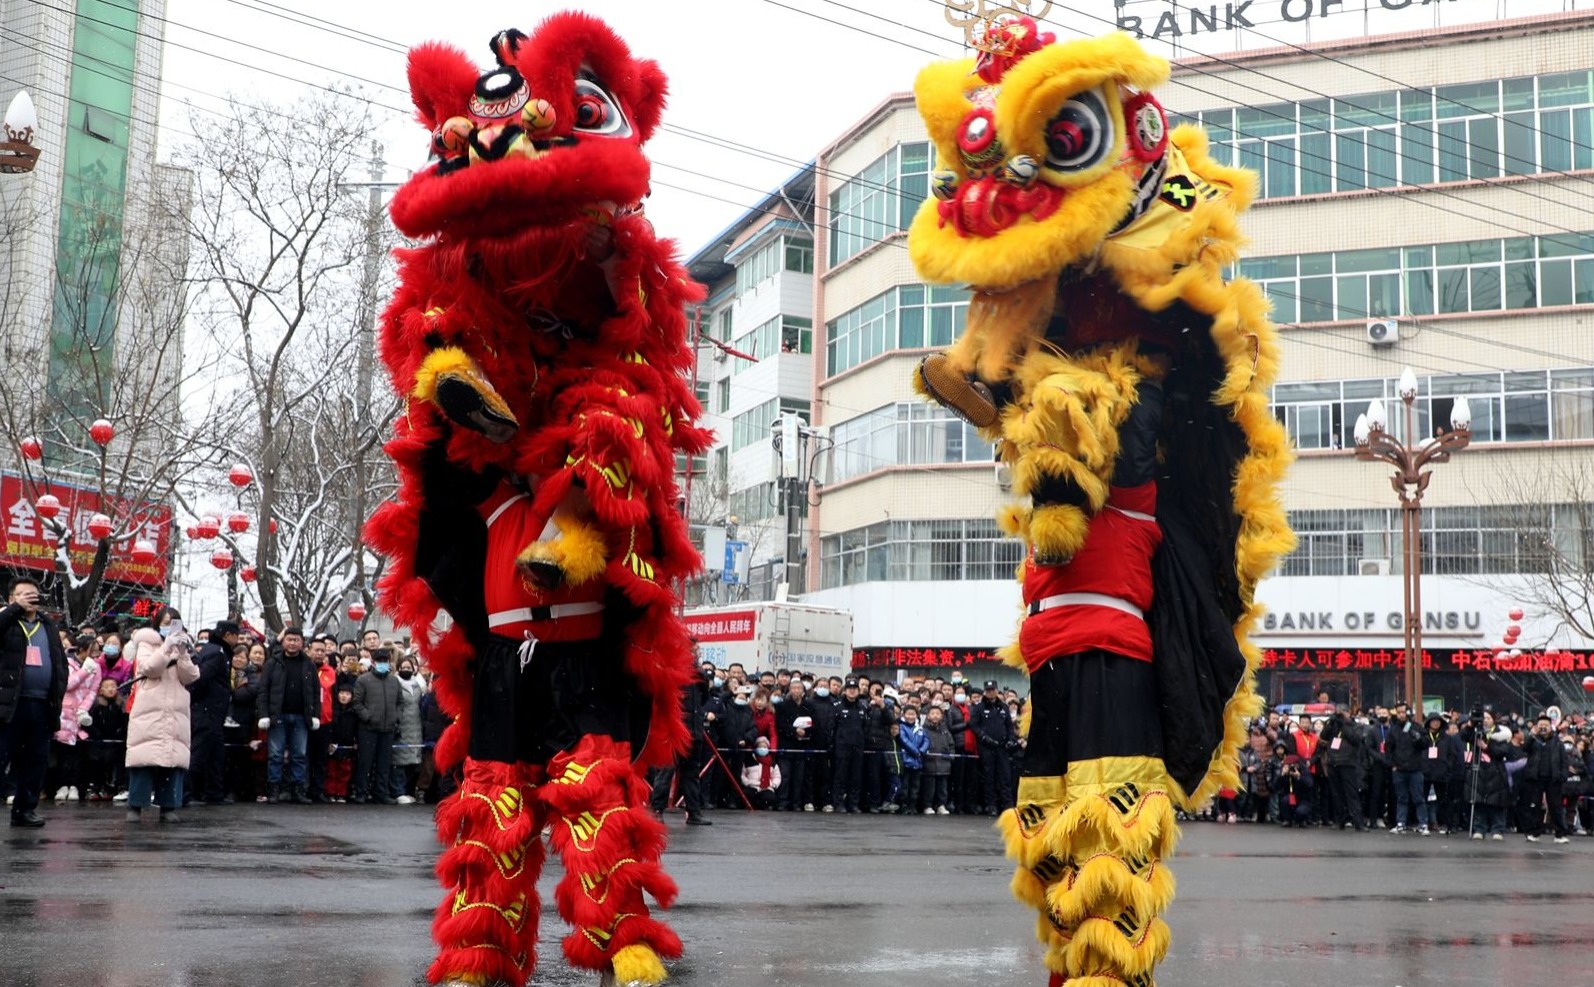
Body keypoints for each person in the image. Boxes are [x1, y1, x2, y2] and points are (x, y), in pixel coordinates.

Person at [1, 577, 70, 827]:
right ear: (11, 598)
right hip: (9, 704)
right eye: (23, 594)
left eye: (33, 594)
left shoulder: (48, 625)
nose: (30, 598)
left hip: (41, 704)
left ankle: (25, 809)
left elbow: (60, 662)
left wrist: (58, 694)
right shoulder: (7, 621)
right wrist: (14, 609)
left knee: (36, 760)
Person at [123, 619, 200, 823]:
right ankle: (136, 805)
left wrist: (182, 652)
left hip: (176, 709)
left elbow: (191, 675)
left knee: (172, 760)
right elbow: (149, 668)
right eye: (166, 623)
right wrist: (166, 648)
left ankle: (168, 806)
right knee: (144, 757)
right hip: (150, 708)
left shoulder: (182, 647)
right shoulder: (147, 644)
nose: (170, 627)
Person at [255, 626, 322, 804]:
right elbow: (264, 691)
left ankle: (298, 789)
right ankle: (274, 789)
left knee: (299, 754)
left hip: (302, 716)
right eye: (289, 639)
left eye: (296, 640)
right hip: (278, 716)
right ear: (283, 641)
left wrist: (316, 714)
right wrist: (264, 714)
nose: (292, 643)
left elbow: (316, 692)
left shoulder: (308, 664)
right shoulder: (273, 663)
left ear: (302, 643)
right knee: (275, 755)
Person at [187, 620, 238, 805]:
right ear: (228, 635)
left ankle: (214, 793)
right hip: (207, 711)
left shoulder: (216, 651)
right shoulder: (216, 653)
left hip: (213, 712)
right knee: (199, 754)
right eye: (235, 635)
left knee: (215, 755)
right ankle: (187, 794)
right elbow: (200, 678)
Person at [49, 644, 101, 803]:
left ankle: (75, 786)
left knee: (78, 753)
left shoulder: (96, 667)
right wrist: (85, 671)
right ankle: (62, 784)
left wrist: (83, 710)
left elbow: (93, 691)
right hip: (65, 712)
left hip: (81, 714)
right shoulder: (67, 663)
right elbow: (68, 685)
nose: (95, 654)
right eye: (92, 650)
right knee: (63, 751)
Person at [350, 649, 400, 804]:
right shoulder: (363, 680)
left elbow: (400, 703)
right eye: (379, 661)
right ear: (373, 662)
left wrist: (396, 717)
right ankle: (361, 792)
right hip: (368, 728)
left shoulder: (394, 681)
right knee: (365, 762)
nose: (383, 663)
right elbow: (357, 703)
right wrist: (367, 716)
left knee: (384, 763)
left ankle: (381, 792)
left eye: (385, 661)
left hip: (388, 728)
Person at [1521, 714, 1572, 844]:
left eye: (1546, 726)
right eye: (1541, 726)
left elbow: (1564, 761)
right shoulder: (1534, 740)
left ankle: (1560, 834)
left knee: (1556, 807)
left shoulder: (1557, 742)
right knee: (1534, 807)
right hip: (1536, 778)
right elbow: (1525, 749)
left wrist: (1563, 775)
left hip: (1553, 779)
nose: (1543, 728)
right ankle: (1534, 832)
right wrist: (1532, 735)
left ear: (1551, 727)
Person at [1463, 710, 1514, 840]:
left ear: (1493, 720)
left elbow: (1504, 752)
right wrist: (1470, 724)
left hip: (1496, 771)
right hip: (1479, 770)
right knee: (1479, 801)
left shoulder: (1502, 734)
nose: (1485, 720)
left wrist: (1486, 747)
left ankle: (1498, 829)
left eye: (1488, 718)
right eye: (1483, 718)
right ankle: (1479, 828)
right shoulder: (1476, 732)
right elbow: (1463, 736)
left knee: (1497, 802)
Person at [1320, 711, 1368, 831]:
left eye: (1343, 713)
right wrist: (1330, 723)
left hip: (1348, 763)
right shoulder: (1333, 726)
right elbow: (1323, 736)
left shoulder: (1356, 726)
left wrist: (1344, 724)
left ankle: (1358, 822)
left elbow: (1355, 739)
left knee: (1352, 794)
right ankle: (1339, 821)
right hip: (1333, 763)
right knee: (1336, 794)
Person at [971, 680, 1012, 816]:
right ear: (985, 691)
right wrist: (984, 737)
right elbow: (974, 725)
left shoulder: (1004, 707)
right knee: (989, 777)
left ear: (997, 690)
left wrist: (1011, 739)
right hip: (986, 747)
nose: (990, 692)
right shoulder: (979, 707)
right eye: (988, 690)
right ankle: (991, 805)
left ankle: (1007, 804)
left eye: (993, 689)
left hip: (1002, 747)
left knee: (1005, 776)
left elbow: (1009, 726)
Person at [1388, 702, 1430, 834]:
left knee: (1418, 798)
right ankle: (1401, 822)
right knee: (1402, 797)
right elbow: (1389, 749)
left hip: (1415, 768)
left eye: (1403, 712)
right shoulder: (1393, 729)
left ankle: (1423, 823)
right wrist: (1393, 765)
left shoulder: (1416, 727)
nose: (1401, 715)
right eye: (1398, 712)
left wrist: (1417, 738)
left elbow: (1425, 744)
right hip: (1399, 769)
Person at [774, 678, 815, 811]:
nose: (796, 691)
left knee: (799, 777)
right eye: (794, 688)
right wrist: (794, 731)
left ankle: (796, 803)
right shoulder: (782, 706)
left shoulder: (809, 706)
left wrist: (805, 732)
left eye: (799, 688)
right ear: (790, 690)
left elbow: (814, 724)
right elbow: (780, 725)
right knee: (785, 776)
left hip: (802, 746)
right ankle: (782, 802)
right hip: (786, 745)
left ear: (804, 691)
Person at [84, 678, 128, 800]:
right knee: (96, 765)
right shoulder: (96, 706)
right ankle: (94, 787)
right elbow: (90, 723)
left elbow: (124, 722)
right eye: (107, 686)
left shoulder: (120, 705)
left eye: (113, 686)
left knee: (116, 764)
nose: (110, 689)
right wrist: (95, 733)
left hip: (115, 742)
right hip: (98, 742)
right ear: (101, 690)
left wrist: (121, 733)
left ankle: (113, 786)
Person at [392, 655, 425, 803]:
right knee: (399, 761)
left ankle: (407, 790)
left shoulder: (418, 685)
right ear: (398, 669)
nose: (406, 670)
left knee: (413, 761)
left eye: (409, 668)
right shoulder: (395, 684)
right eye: (403, 668)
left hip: (416, 726)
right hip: (401, 725)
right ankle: (398, 792)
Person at [325, 683, 359, 802]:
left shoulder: (353, 712)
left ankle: (341, 793)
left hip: (347, 746)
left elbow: (356, 728)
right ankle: (330, 792)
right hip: (333, 744)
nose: (344, 696)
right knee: (331, 770)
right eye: (342, 693)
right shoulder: (333, 710)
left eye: (347, 694)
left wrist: (356, 741)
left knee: (345, 771)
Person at [896, 703, 929, 814]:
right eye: (908, 714)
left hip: (917, 762)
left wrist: (922, 751)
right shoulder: (901, 726)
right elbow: (903, 740)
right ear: (904, 715)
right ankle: (904, 805)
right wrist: (916, 752)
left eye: (913, 714)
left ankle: (912, 806)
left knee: (915, 786)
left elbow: (926, 740)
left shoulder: (919, 727)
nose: (911, 716)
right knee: (905, 785)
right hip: (906, 761)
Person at [922, 703, 954, 815]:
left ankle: (941, 805)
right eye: (932, 713)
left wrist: (951, 756)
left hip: (944, 764)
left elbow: (951, 745)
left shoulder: (945, 730)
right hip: (929, 763)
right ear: (928, 716)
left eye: (937, 713)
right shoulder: (924, 730)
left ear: (941, 716)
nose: (935, 716)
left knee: (942, 788)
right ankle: (928, 805)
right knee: (929, 788)